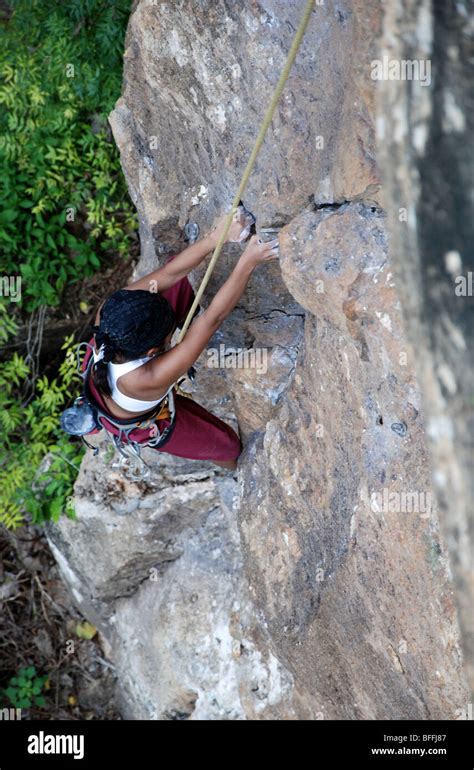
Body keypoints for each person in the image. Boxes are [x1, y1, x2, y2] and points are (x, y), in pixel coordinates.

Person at [87, 210, 280, 471]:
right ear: (155, 351)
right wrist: (249, 261)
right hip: (144, 418)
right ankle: (234, 473)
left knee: (183, 281)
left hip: (123, 356)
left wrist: (219, 236)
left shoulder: (112, 312)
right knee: (227, 446)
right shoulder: (144, 379)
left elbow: (168, 275)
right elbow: (211, 319)